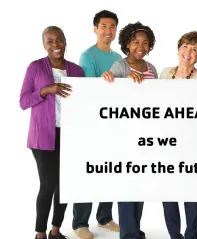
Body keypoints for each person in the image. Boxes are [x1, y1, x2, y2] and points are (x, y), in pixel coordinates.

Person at [19, 26, 84, 239]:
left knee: (64, 186)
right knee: (48, 185)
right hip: (42, 137)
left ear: (66, 41)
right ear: (44, 45)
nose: (55, 45)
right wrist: (46, 90)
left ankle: (56, 230)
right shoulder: (35, 68)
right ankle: (40, 234)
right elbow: (23, 101)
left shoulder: (76, 70)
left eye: (59, 40)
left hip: (69, 135)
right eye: (50, 41)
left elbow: (84, 101)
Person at [102, 21, 157, 239]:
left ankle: (135, 228)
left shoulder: (151, 68)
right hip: (125, 136)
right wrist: (121, 81)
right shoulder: (120, 66)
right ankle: (128, 233)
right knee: (126, 184)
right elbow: (111, 98)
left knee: (140, 184)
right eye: (135, 42)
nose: (140, 46)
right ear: (127, 43)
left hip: (147, 136)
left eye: (145, 42)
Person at [73, 10, 122, 239]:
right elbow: (89, 92)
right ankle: (80, 222)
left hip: (113, 123)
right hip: (92, 123)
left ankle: (104, 217)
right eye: (104, 26)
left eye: (112, 26)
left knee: (110, 170)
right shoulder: (88, 56)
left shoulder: (117, 58)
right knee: (88, 172)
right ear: (95, 28)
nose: (108, 31)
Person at [159, 31, 197, 239]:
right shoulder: (164, 73)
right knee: (168, 193)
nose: (188, 52)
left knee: (192, 194)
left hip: (192, 145)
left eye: (194, 49)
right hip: (166, 142)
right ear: (179, 48)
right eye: (185, 46)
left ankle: (191, 236)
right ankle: (174, 235)